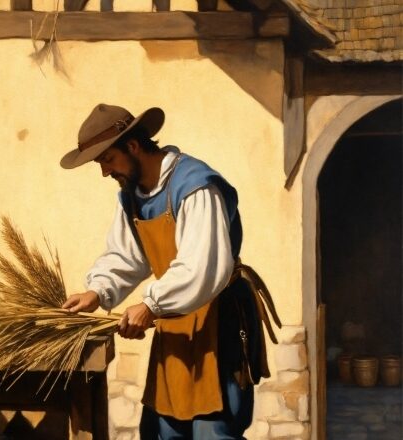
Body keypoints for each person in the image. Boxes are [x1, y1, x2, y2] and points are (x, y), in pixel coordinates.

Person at [61, 104, 277, 439]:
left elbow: (201, 266)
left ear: (133, 147)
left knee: (213, 430)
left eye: (107, 159)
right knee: (162, 428)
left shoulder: (195, 185)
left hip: (218, 320)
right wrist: (98, 291)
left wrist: (150, 306)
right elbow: (127, 256)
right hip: (174, 322)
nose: (104, 171)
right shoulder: (131, 196)